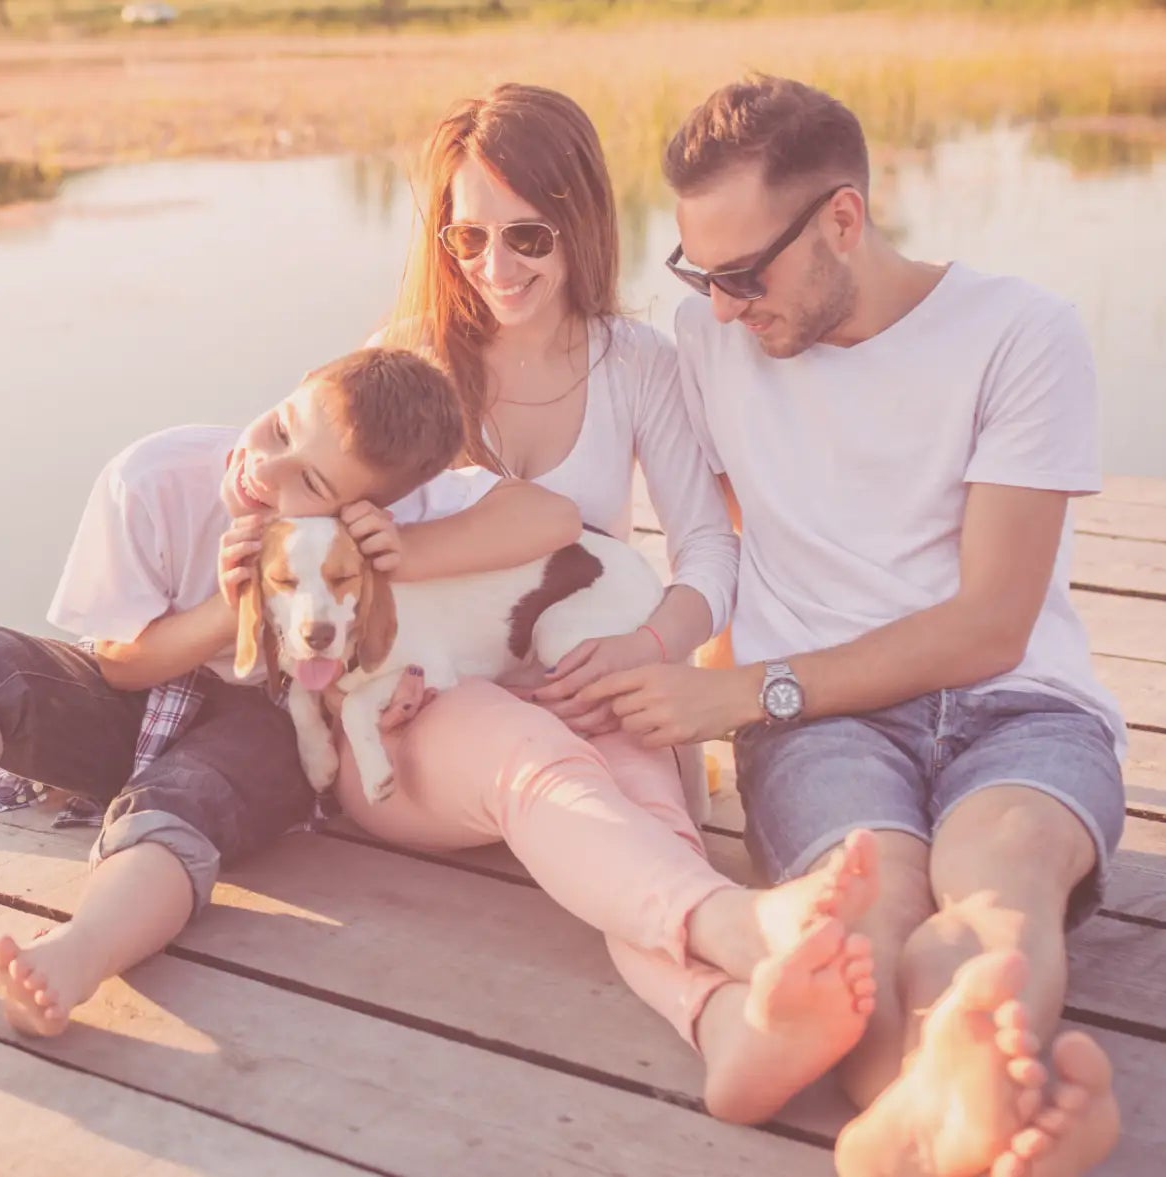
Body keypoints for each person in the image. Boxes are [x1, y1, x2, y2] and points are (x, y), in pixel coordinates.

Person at [578, 74, 1125, 1176]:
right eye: (700, 272)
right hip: (824, 738)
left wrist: (744, 692)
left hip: (1016, 709)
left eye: (743, 273)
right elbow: (713, 528)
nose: (722, 307)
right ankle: (961, 1109)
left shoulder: (1019, 333)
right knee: (864, 924)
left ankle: (937, 1113)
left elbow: (988, 626)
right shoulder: (710, 339)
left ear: (842, 217)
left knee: (999, 881)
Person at [339, 83, 881, 1125]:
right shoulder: (405, 361)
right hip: (412, 732)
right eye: (466, 240)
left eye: (527, 236)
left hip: (582, 679)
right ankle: (738, 925)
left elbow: (706, 545)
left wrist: (648, 646)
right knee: (528, 751)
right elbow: (321, 549)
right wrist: (372, 665)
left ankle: (726, 1028)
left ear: (580, 219)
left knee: (635, 787)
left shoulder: (633, 361)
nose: (494, 270)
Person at [0, 346, 587, 1038]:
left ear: (363, 507)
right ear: (292, 388)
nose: (261, 469)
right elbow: (119, 663)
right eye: (278, 428)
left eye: (304, 479)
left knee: (191, 795)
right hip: (135, 690)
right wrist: (223, 610)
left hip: (271, 723)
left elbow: (552, 517)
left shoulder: (397, 503)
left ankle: (77, 954)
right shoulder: (155, 474)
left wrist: (405, 547)